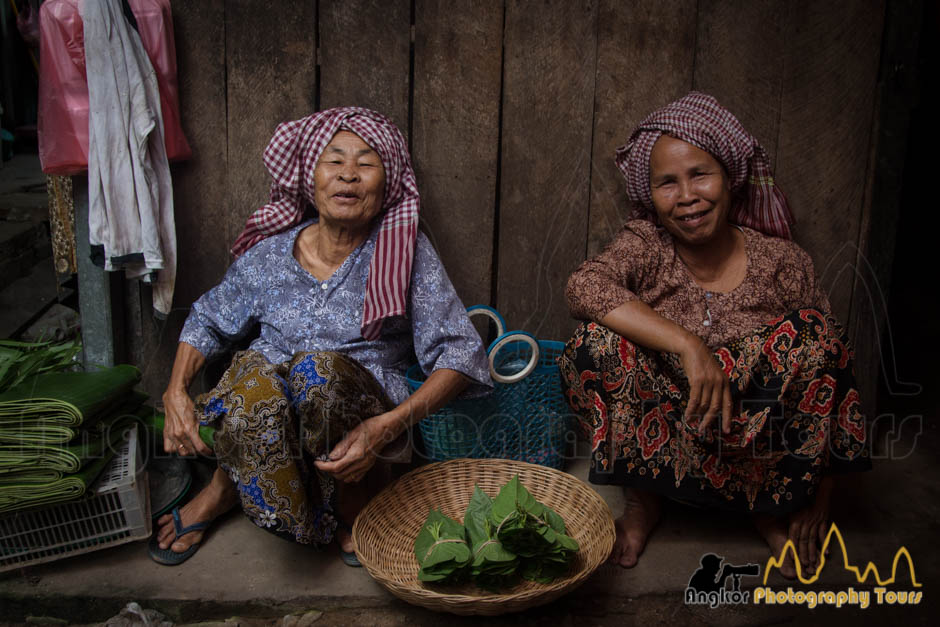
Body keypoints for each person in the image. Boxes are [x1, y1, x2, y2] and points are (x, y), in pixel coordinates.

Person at [150, 107, 491, 566]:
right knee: (252, 379)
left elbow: (461, 352)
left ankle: (350, 497)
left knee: (318, 369)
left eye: (366, 164)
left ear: (386, 186)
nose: (348, 175)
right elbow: (208, 318)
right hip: (266, 420)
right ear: (310, 178)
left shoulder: (405, 255)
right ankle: (225, 488)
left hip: (352, 413)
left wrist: (388, 427)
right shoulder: (270, 254)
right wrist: (175, 391)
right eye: (334, 161)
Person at [559, 92, 870, 578]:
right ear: (652, 194)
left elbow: (833, 370)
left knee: (815, 332)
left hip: (757, 445)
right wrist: (689, 345)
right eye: (667, 183)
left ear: (729, 179)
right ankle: (644, 502)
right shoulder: (646, 246)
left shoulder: (781, 262)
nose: (686, 196)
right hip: (669, 434)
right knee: (590, 345)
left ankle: (767, 507)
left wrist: (817, 498)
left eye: (700, 174)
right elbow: (584, 286)